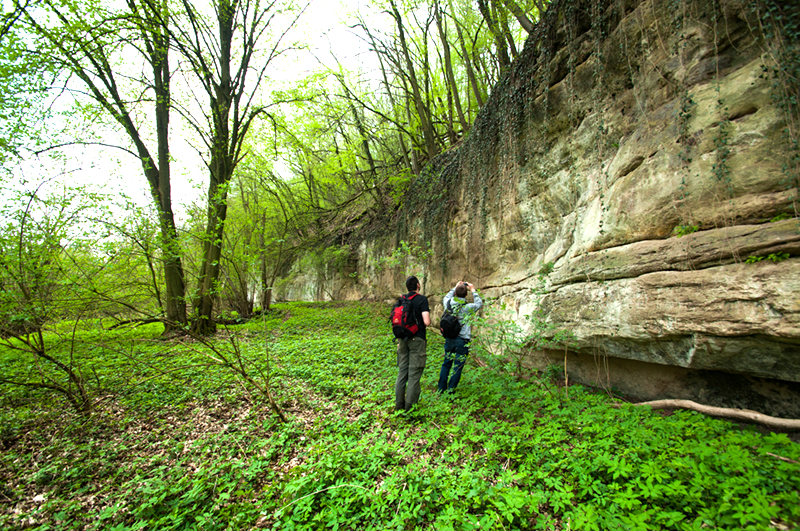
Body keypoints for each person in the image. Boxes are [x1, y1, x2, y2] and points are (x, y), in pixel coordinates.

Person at [438, 280, 483, 394]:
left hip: (449, 339)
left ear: (455, 294)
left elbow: (447, 296)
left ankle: (441, 389)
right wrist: (473, 289)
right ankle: (451, 391)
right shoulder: (468, 307)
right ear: (466, 295)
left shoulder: (447, 303)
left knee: (446, 363)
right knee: (457, 366)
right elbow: (479, 303)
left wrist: (455, 287)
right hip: (462, 340)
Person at [395, 275, 431, 412]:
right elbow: (426, 322)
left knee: (402, 373)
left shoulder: (401, 299)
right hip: (417, 340)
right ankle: (409, 408)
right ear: (418, 285)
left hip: (402, 341)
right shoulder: (421, 299)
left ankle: (399, 405)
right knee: (414, 374)